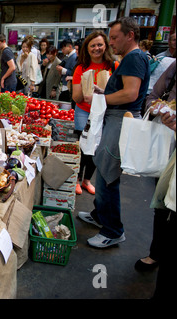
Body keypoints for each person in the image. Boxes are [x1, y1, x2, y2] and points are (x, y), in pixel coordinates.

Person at [78, 17, 150, 248]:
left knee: (108, 175)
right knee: (103, 166)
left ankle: (113, 230)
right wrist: (104, 91)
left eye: (115, 38)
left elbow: (130, 94)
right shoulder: (131, 58)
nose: (111, 43)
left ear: (130, 35)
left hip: (121, 120)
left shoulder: (134, 58)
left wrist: (101, 98)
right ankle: (100, 215)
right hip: (117, 119)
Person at [134, 60, 175, 288]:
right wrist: (160, 108)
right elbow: (152, 96)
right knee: (161, 203)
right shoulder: (174, 68)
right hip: (167, 145)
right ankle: (156, 252)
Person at [72, 30, 118, 196]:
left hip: (105, 113)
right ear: (87, 48)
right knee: (84, 146)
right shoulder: (81, 68)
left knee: (97, 147)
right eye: (92, 46)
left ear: (105, 46)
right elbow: (76, 97)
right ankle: (77, 180)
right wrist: (84, 93)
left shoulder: (113, 66)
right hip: (84, 111)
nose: (96, 48)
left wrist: (101, 95)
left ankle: (87, 180)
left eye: (99, 44)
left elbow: (119, 91)